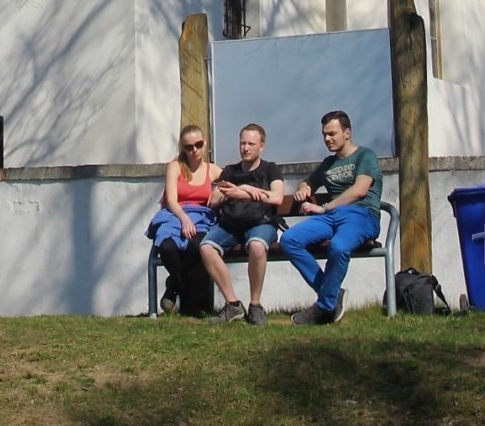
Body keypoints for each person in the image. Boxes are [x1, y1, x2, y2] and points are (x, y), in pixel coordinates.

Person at [281, 109, 382, 325]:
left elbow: (359, 190)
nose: (327, 139)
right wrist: (303, 188)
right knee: (290, 240)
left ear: (347, 133)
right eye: (324, 135)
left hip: (361, 215)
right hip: (332, 217)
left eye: (332, 134)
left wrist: (325, 207)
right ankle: (332, 296)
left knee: (338, 246)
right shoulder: (329, 163)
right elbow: (308, 181)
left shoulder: (366, 156)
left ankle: (324, 307)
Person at [199, 122, 285, 325]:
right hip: (231, 224)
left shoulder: (271, 169)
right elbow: (214, 200)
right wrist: (226, 192)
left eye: (251, 144)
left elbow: (277, 198)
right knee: (206, 248)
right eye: (242, 143)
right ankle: (233, 305)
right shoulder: (229, 171)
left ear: (261, 146)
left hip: (261, 222)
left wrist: (244, 190)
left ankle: (255, 306)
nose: (245, 148)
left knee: (256, 246)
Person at [145, 124, 220, 315]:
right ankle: (178, 286)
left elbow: (235, 180)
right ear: (182, 148)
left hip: (201, 218)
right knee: (167, 247)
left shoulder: (212, 170)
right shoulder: (175, 167)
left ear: (204, 143)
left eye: (198, 144)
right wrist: (184, 219)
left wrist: (221, 191)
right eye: (189, 147)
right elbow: (171, 200)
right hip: (175, 214)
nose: (194, 150)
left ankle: (193, 304)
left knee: (197, 247)